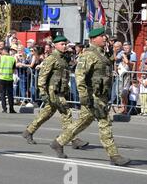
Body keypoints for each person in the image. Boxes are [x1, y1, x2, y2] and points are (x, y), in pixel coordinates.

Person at [50, 28, 131, 166]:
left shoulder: (101, 54)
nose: (105, 38)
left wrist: (113, 52)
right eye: (101, 36)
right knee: (104, 123)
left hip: (101, 95)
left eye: (104, 36)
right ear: (93, 39)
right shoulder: (88, 55)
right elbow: (80, 76)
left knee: (83, 122)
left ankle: (58, 142)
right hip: (93, 96)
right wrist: (84, 96)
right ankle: (114, 155)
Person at [22, 36, 88, 149]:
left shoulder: (63, 58)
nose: (64, 46)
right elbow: (42, 77)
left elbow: (71, 66)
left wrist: (70, 56)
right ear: (55, 45)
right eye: (62, 44)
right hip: (53, 92)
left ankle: (29, 131)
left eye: (65, 44)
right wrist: (43, 93)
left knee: (45, 114)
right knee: (66, 113)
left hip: (61, 91)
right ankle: (73, 139)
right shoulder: (52, 58)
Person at [0, 46, 16, 113]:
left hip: (2, 78)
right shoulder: (12, 59)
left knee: (2, 94)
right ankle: (11, 109)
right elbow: (14, 70)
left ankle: (4, 109)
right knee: (10, 94)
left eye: (2, 50)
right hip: (9, 78)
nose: (1, 52)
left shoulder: (1, 58)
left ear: (5, 51)